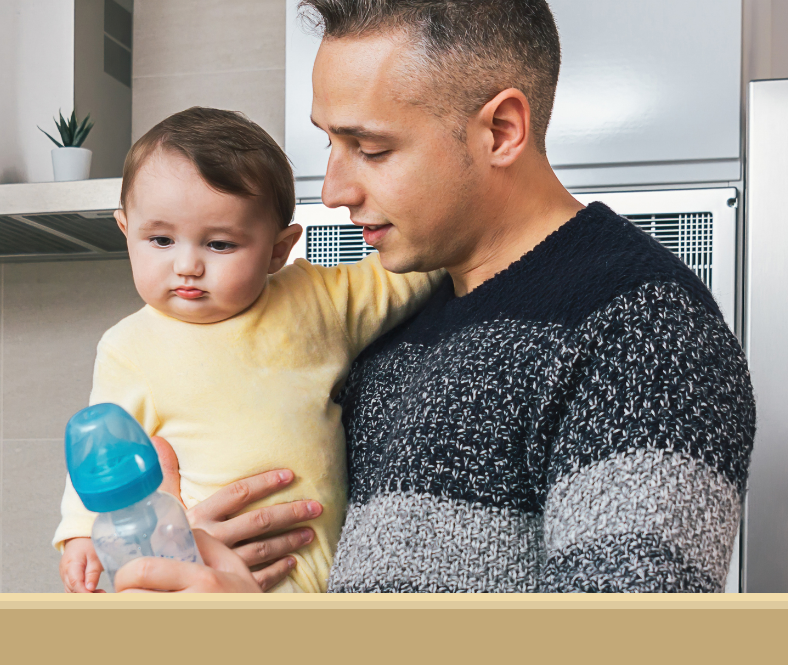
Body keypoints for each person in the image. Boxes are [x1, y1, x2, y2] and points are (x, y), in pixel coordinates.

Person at [113, 0, 755, 593]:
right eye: (329, 143)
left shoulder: (643, 328)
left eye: (370, 148)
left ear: (502, 130)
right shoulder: (389, 328)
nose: (334, 189)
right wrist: (210, 552)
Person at [51, 107, 443, 593]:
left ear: (278, 250)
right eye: (160, 239)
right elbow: (101, 453)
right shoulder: (129, 347)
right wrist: (80, 535)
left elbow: (412, 271)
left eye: (218, 244)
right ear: (125, 230)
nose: (187, 265)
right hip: (215, 574)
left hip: (335, 577)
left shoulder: (316, 299)